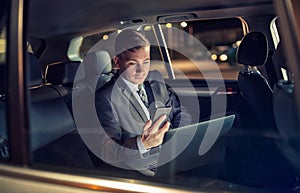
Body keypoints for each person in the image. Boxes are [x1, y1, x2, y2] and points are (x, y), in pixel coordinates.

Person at [95, 29, 192, 174]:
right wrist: (142, 143)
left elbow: (181, 112)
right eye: (133, 63)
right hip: (137, 167)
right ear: (117, 62)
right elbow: (108, 152)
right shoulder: (105, 98)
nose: (141, 71)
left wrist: (172, 140)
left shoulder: (155, 82)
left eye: (146, 62)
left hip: (169, 155)